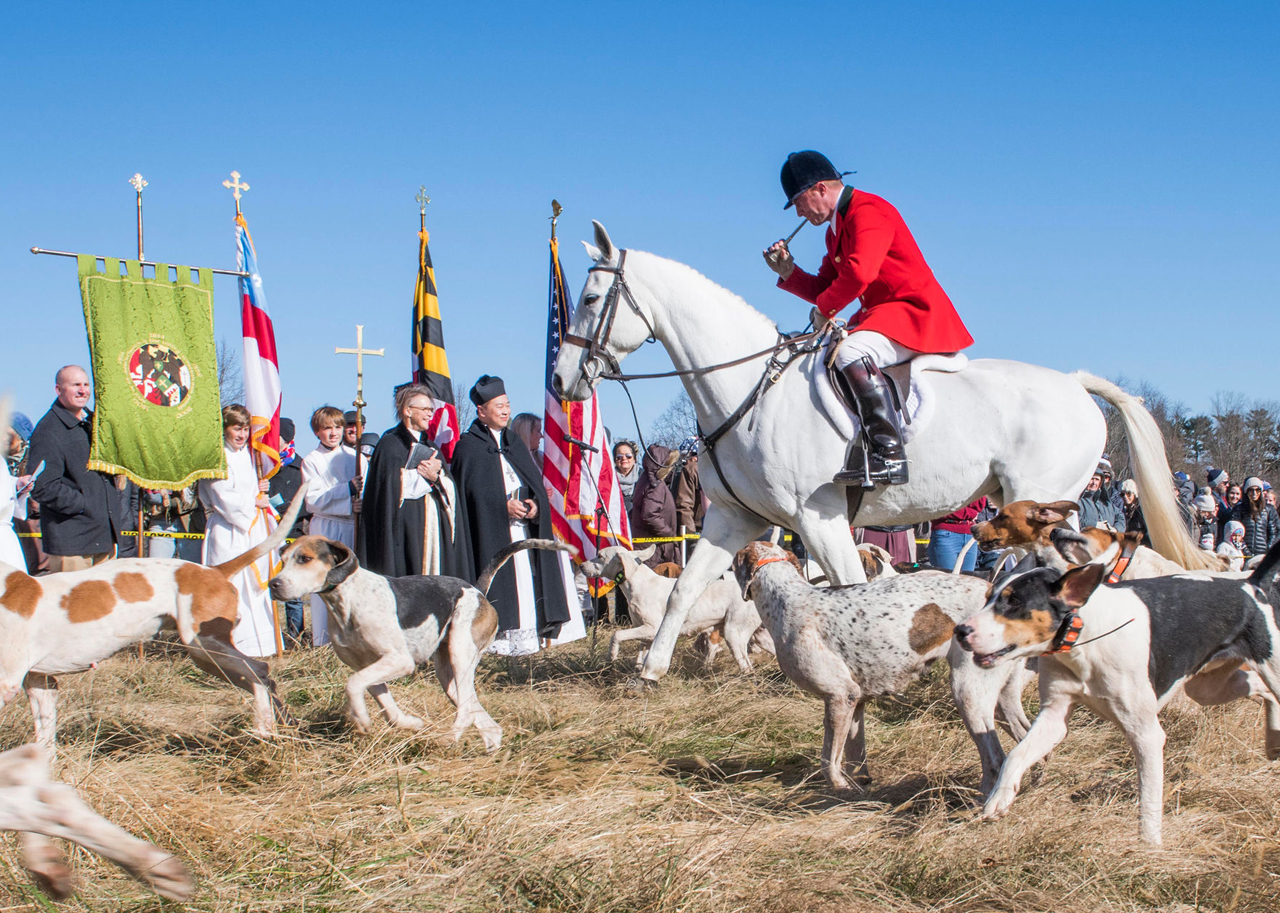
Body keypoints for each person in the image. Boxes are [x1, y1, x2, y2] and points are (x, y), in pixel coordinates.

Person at [763, 150, 973, 486]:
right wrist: (789, 272)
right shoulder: (836, 231)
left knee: (849, 352)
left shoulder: (868, 210)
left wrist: (823, 310)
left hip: (911, 312)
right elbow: (827, 286)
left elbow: (859, 275)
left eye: (799, 202)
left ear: (820, 189)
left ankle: (889, 455)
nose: (799, 212)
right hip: (883, 315)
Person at [451, 375, 581, 656]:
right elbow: (467, 498)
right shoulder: (468, 447)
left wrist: (535, 506)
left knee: (525, 587)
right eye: (498, 405)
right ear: (481, 411)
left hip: (522, 534)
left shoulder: (514, 443)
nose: (505, 410)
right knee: (502, 588)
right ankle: (496, 646)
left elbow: (532, 483)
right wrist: (500, 506)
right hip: (490, 537)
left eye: (507, 404)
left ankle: (523, 648)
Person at [357, 385, 472, 581]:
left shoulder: (431, 446)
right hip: (404, 530)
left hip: (433, 529)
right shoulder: (390, 444)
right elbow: (388, 490)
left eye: (431, 410)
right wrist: (422, 476)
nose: (429, 415)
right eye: (425, 410)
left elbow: (449, 487)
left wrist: (437, 477)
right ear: (407, 411)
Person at [198, 405, 277, 657]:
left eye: (245, 429)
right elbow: (222, 495)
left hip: (251, 529)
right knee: (229, 584)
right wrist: (253, 501)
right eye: (236, 428)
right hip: (227, 529)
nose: (242, 435)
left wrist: (260, 486)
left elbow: (250, 488)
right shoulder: (216, 456)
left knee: (253, 583)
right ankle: (228, 644)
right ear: (225, 428)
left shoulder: (249, 455)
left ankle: (260, 644)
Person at [27, 365, 121, 571]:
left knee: (103, 604)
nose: (82, 390)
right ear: (58, 390)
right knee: (74, 604)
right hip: (73, 546)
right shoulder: (48, 430)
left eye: (86, 384)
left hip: (103, 538)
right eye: (75, 385)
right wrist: (83, 505)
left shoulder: (92, 425)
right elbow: (42, 485)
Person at [302, 406, 360, 647]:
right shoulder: (311, 461)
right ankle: (324, 642)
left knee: (351, 584)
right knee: (324, 583)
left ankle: (352, 641)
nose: (333, 433)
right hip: (326, 528)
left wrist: (359, 503)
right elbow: (313, 500)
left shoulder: (356, 458)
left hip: (351, 527)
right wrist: (347, 491)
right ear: (317, 432)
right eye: (327, 428)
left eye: (337, 427)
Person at [268, 418, 310, 644]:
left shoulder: (300, 467)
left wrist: (284, 508)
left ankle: (296, 635)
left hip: (293, 534)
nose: (273, 443)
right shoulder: (264, 465)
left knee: (291, 591)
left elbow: (308, 500)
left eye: (278, 439)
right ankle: (269, 634)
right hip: (266, 534)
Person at [629, 443, 680, 568]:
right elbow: (650, 514)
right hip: (654, 550)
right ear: (662, 464)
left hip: (650, 546)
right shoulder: (655, 485)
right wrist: (668, 533)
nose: (672, 467)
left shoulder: (646, 480)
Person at [927, 497, 987, 572]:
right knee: (948, 579)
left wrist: (960, 511)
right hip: (946, 533)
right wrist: (971, 513)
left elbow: (979, 505)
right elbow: (942, 509)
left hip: (969, 535)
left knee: (967, 580)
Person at [1231, 478, 1280, 557]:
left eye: (1257, 490)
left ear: (1261, 492)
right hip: (1243, 554)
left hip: (1264, 555)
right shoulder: (1239, 509)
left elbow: (1273, 532)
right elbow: (1234, 532)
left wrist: (1268, 550)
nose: (1254, 493)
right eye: (1251, 490)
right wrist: (1245, 552)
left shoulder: (1269, 509)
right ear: (1246, 492)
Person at [672, 437, 707, 538]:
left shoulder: (690, 470)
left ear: (695, 455)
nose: (684, 461)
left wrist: (689, 535)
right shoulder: (717, 469)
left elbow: (684, 505)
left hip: (696, 530)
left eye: (685, 456)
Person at [1077, 463, 1126, 532]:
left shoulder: (1106, 504)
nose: (1094, 483)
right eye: (1092, 479)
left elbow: (1120, 517)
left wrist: (1115, 529)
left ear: (1100, 483)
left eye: (1097, 479)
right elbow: (1074, 520)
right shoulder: (1078, 501)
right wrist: (1095, 525)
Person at [613, 440, 640, 513]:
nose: (624, 458)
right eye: (619, 456)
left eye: (628, 456)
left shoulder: (643, 477)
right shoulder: (609, 478)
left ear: (634, 459)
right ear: (615, 460)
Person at [1118, 479, 1148, 544]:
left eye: (1128, 493)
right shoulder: (1121, 511)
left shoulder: (1142, 512)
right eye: (1122, 494)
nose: (1125, 497)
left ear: (1135, 494)